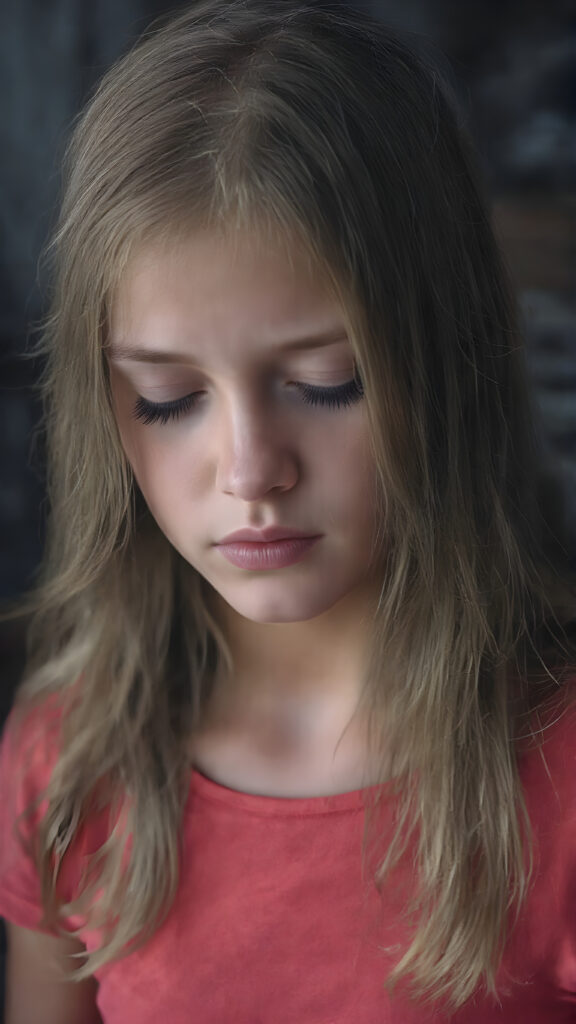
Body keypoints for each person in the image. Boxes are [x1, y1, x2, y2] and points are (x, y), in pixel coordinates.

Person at [1, 1, 575, 1021]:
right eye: (169, 400)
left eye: (324, 382)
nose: (251, 469)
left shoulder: (558, 771)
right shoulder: (70, 756)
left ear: (444, 364)